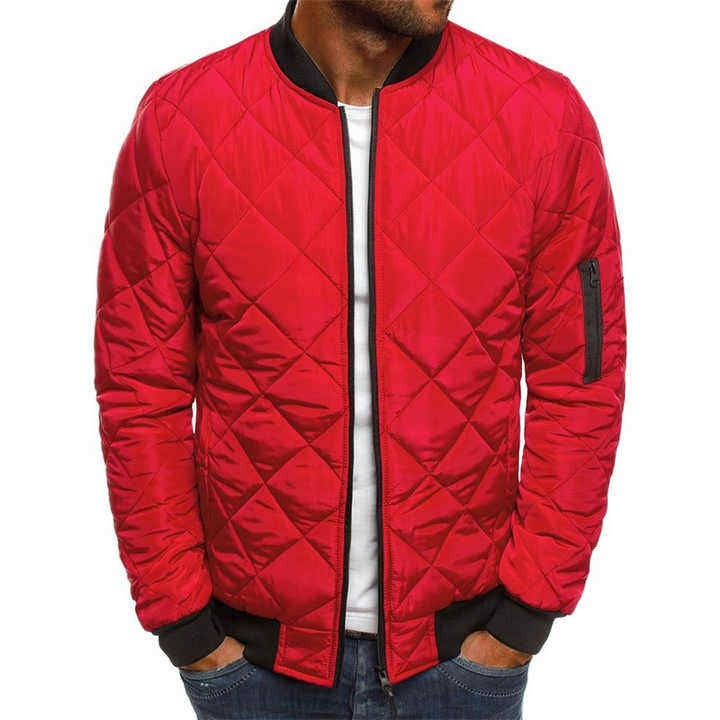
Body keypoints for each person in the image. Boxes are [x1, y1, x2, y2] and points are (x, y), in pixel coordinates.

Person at [94, 1, 626, 717]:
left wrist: (528, 611)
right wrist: (184, 623)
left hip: (462, 658)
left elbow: (582, 382)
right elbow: (139, 389)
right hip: (252, 662)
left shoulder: (542, 118)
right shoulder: (182, 121)